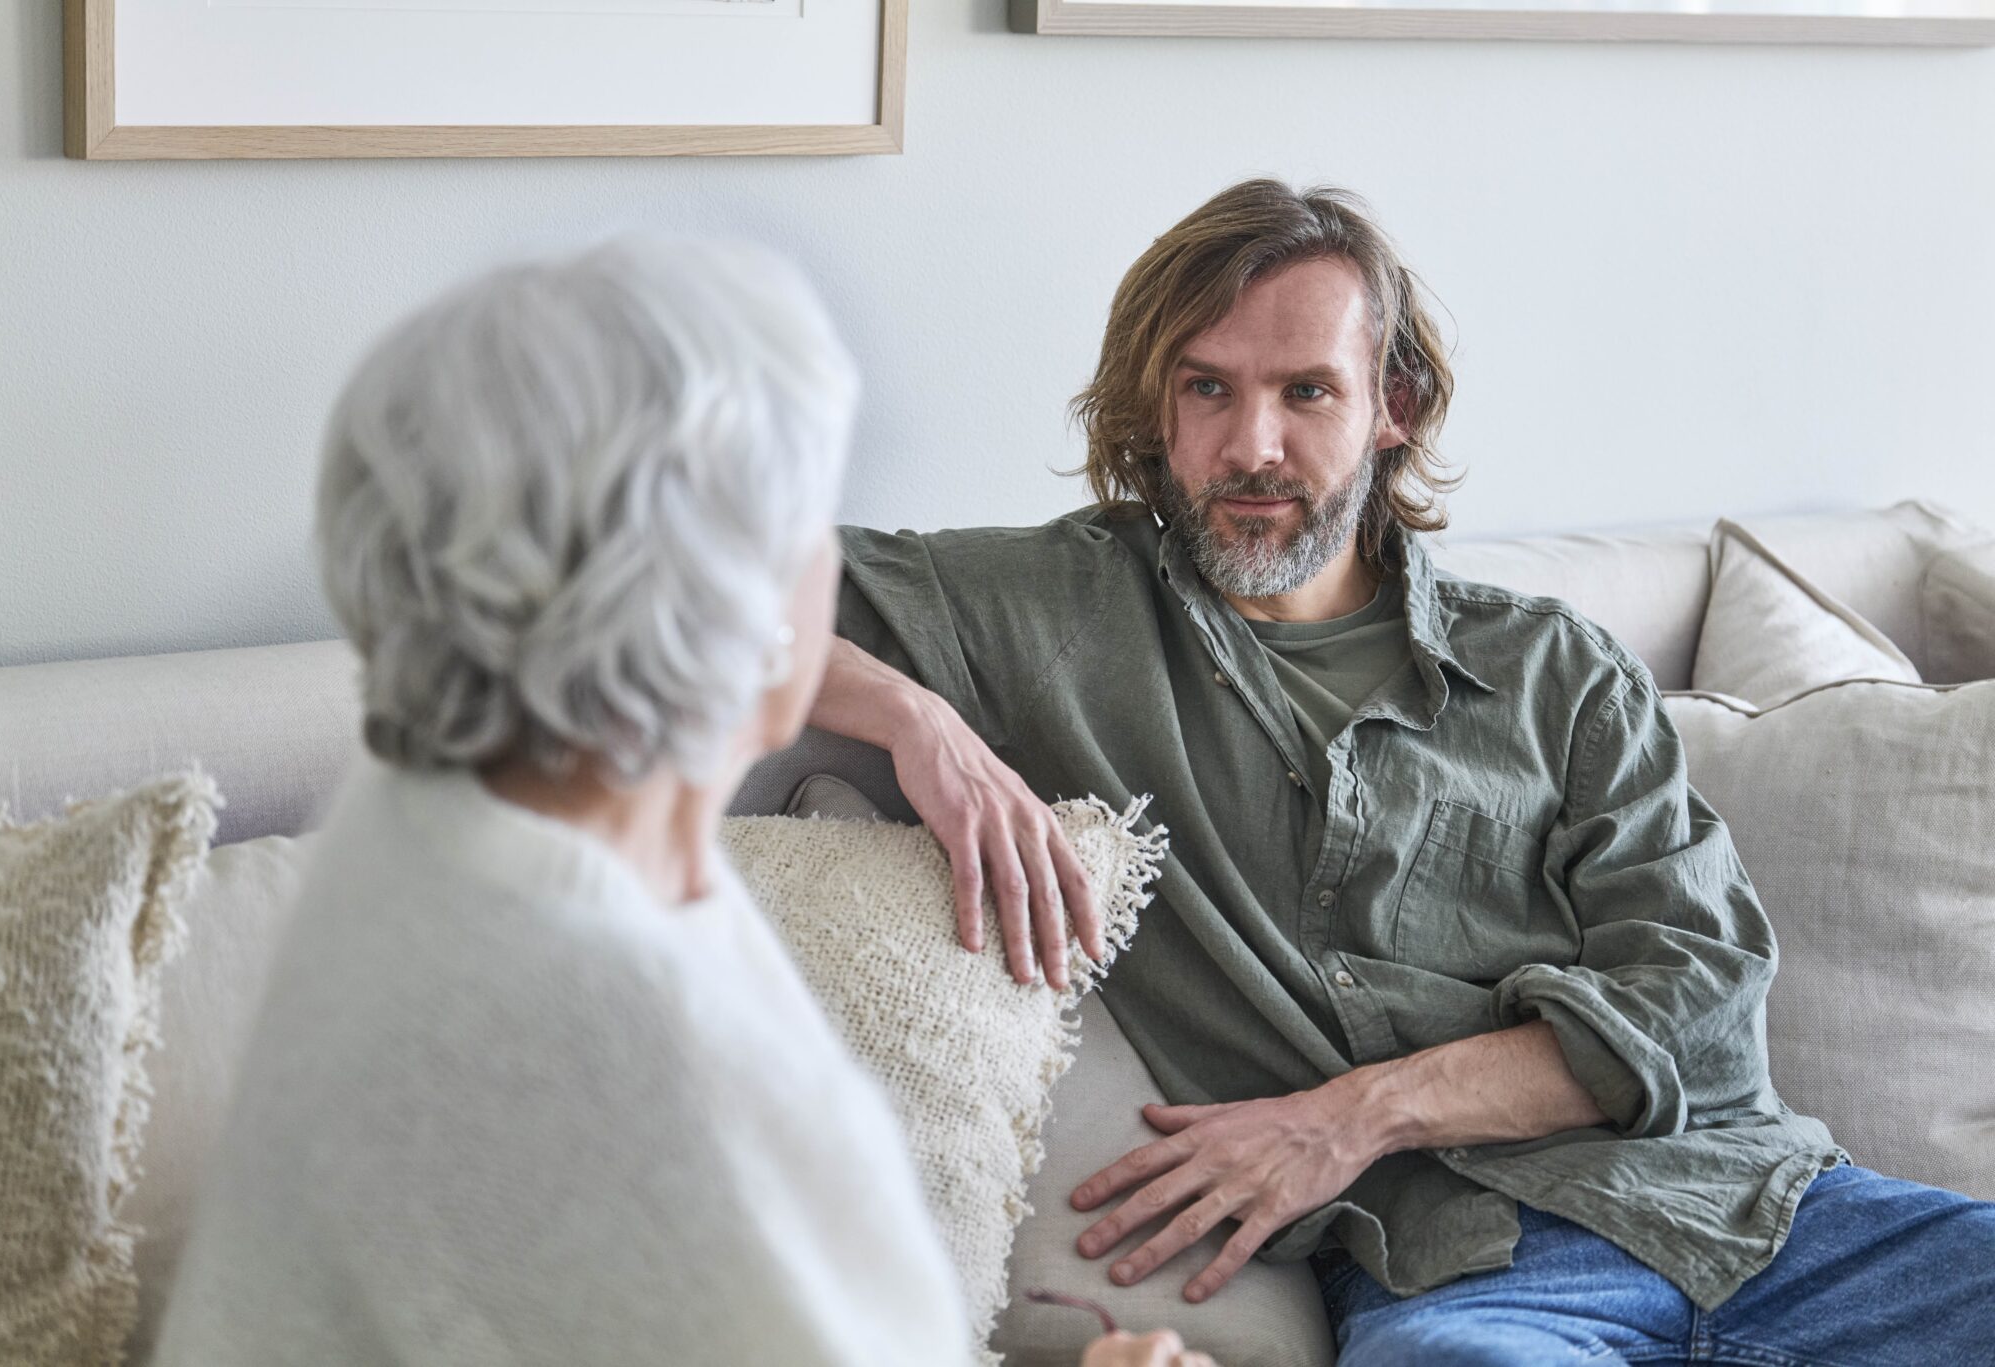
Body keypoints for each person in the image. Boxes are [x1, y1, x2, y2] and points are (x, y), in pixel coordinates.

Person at [814, 178, 1995, 1363]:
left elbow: (1698, 1005)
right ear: (1155, 409)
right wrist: (917, 717)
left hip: (1760, 1218)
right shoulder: (1054, 616)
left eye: (1305, 390)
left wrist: (1351, 1115)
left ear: (1394, 402)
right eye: (1206, 387)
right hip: (1466, 1276)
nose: (1250, 445)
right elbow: (667, 584)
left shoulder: (1552, 668)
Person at [148, 235, 1211, 1367]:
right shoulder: (606, 1041)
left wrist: (906, 711)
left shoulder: (451, 824)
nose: (826, 563)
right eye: (805, 522)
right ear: (712, 592)